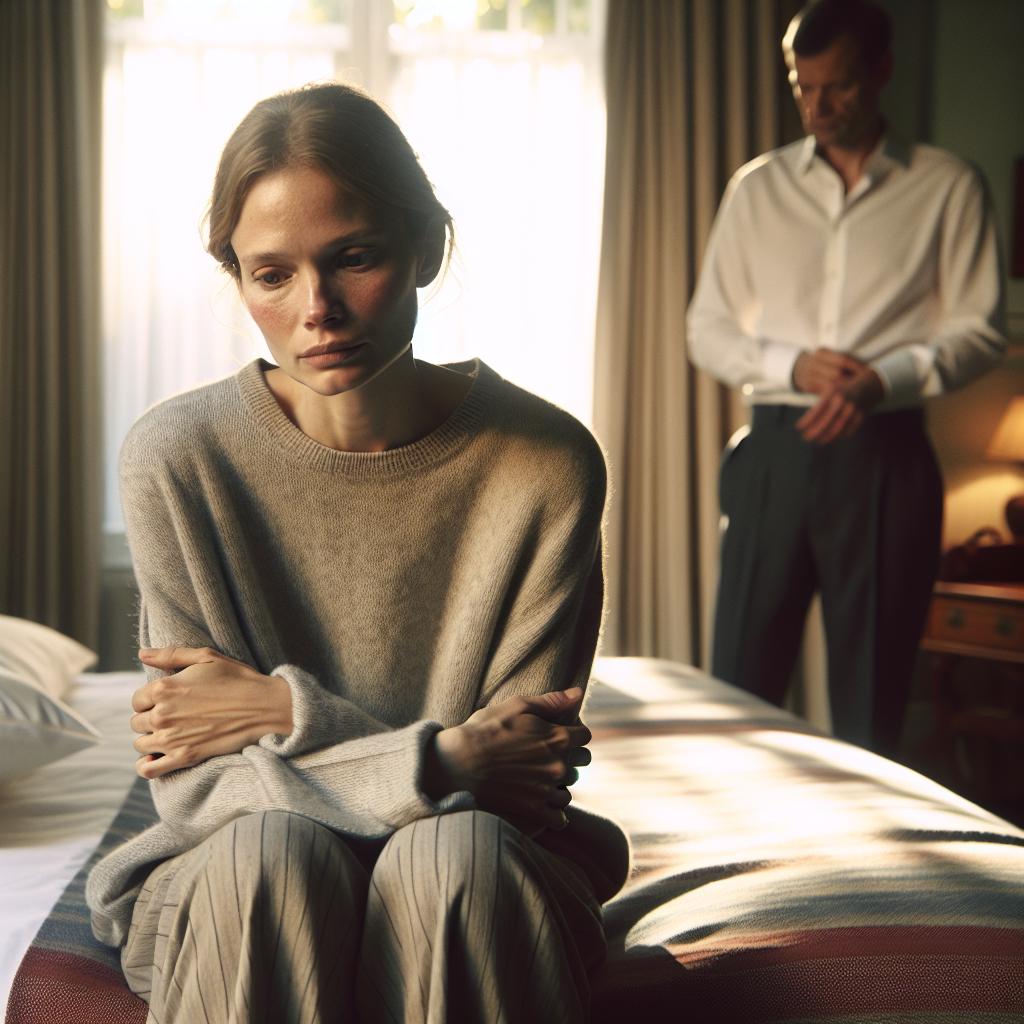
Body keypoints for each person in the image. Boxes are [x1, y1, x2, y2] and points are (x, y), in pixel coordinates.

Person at [85, 82, 629, 1024]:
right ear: (240, 281)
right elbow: (202, 789)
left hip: (481, 867)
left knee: (453, 861)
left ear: (425, 249)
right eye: (273, 275)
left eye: (355, 258)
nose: (319, 309)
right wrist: (446, 757)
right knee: (269, 854)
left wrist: (277, 711)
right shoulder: (178, 457)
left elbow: (522, 785)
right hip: (237, 872)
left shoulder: (546, 462)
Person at [686, 0, 1006, 756]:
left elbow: (982, 329)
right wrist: (790, 365)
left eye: (839, 87)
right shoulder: (756, 189)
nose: (818, 107)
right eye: (804, 88)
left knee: (872, 701)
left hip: (886, 458)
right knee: (739, 687)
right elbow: (707, 329)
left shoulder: (949, 186)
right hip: (774, 452)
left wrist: (882, 380)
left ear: (882, 72)